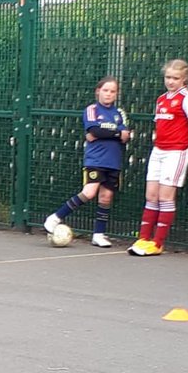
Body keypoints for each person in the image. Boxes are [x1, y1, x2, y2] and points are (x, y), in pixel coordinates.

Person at [129, 59, 188, 257]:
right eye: (168, 77)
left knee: (165, 197)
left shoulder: (187, 98)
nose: (171, 81)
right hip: (158, 151)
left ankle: (157, 243)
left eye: (175, 78)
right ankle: (143, 238)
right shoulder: (161, 99)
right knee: (151, 196)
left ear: (184, 79)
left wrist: (187, 139)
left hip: (176, 152)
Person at [43, 77, 131, 248]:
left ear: (116, 94)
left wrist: (109, 133)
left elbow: (125, 134)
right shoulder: (92, 109)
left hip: (113, 161)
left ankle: (98, 234)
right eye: (105, 90)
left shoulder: (119, 113)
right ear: (98, 91)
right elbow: (93, 130)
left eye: (112, 91)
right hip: (96, 159)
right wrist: (115, 134)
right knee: (89, 192)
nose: (108, 94)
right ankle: (55, 217)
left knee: (106, 197)